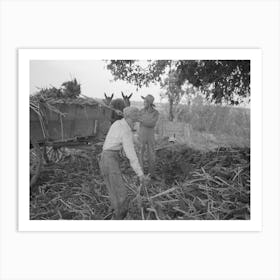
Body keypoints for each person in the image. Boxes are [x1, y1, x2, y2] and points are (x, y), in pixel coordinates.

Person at [99, 106, 149, 219]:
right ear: (130, 118)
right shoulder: (125, 130)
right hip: (110, 160)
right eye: (135, 121)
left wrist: (138, 143)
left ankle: (115, 213)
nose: (135, 124)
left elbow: (130, 135)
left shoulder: (118, 123)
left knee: (113, 190)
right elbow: (131, 154)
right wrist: (140, 174)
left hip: (104, 158)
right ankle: (119, 218)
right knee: (121, 194)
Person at [138, 94, 159, 179]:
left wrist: (142, 120)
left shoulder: (156, 113)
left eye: (145, 101)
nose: (143, 103)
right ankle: (140, 174)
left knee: (152, 154)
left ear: (149, 103)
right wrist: (144, 120)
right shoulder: (141, 111)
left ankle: (152, 174)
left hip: (150, 135)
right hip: (141, 134)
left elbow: (152, 124)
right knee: (140, 154)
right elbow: (136, 118)